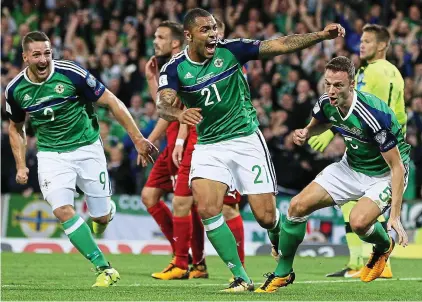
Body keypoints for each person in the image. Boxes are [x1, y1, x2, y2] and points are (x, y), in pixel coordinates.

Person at [156, 8, 345, 292]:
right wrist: (178, 115)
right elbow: (163, 104)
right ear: (188, 35)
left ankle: (275, 233)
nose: (213, 34)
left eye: (213, 29)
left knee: (266, 216)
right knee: (207, 208)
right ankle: (240, 277)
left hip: (245, 140)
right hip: (209, 145)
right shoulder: (173, 69)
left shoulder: (231, 51)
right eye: (205, 30)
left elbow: (279, 44)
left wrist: (320, 35)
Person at [6, 31, 156, 287]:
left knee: (100, 217)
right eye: (37, 55)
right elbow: (15, 127)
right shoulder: (16, 89)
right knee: (62, 210)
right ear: (25, 57)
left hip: (87, 149)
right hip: (51, 155)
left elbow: (112, 101)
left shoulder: (71, 73)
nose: (44, 60)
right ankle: (104, 268)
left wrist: (138, 139)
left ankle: (104, 215)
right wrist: (21, 165)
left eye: (47, 53)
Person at [256, 56, 410, 293]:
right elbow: (323, 122)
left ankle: (383, 245)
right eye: (327, 84)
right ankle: (283, 273)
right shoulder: (326, 101)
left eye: (338, 85)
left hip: (384, 173)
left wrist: (395, 216)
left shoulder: (373, 115)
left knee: (359, 222)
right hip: (350, 166)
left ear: (352, 84)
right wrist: (307, 132)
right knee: (296, 206)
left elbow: (397, 167)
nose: (331, 90)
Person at [143, 20, 244, 281]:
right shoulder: (170, 68)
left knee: (206, 205)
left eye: (160, 36)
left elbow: (186, 109)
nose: (155, 41)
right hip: (176, 142)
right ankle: (188, 258)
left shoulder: (205, 67)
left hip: (208, 140)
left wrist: (165, 140)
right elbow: (165, 106)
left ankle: (195, 262)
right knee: (155, 197)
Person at [309, 24, 405, 279]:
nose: (361, 45)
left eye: (368, 42)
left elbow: (368, 109)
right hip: (382, 142)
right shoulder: (393, 71)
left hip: (376, 144)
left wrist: (332, 130)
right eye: (361, 41)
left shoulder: (376, 71)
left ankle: (370, 260)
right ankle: (359, 260)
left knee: (359, 202)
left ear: (382, 45)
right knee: (354, 204)